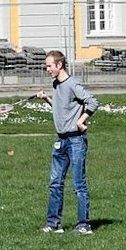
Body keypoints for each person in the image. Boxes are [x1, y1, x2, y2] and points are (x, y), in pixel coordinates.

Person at [37, 49, 100, 235]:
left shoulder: (72, 84)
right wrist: (47, 98)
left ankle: (84, 225)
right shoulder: (56, 84)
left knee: (79, 184)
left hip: (76, 141)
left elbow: (93, 102)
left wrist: (82, 121)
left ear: (59, 65)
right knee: (55, 183)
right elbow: (61, 109)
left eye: (49, 66)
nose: (47, 69)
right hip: (60, 141)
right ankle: (54, 224)